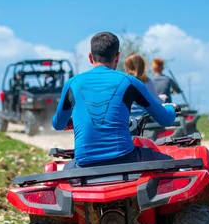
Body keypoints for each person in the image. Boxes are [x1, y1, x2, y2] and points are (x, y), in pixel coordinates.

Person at [52, 32, 178, 169]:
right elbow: (166, 119)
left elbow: (58, 124)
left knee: (65, 169)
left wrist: (72, 119)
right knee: (172, 163)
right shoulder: (129, 82)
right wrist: (171, 107)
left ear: (90, 57)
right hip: (125, 158)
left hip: (84, 164)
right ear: (117, 57)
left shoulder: (72, 84)